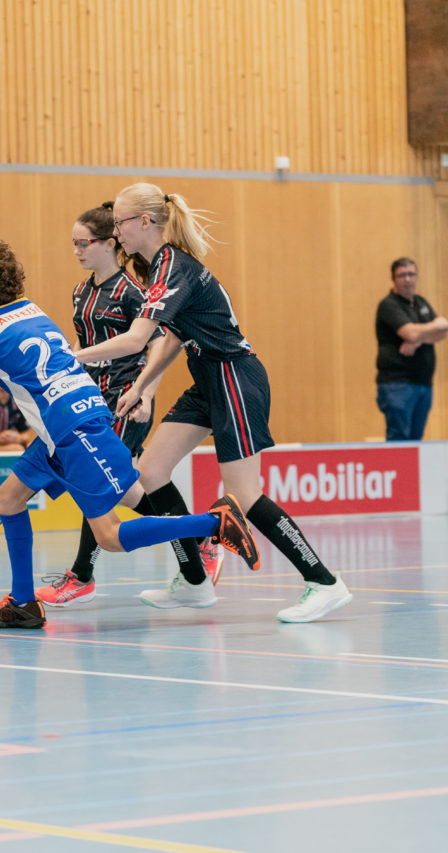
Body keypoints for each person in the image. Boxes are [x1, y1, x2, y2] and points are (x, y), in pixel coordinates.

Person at [0, 236, 259, 631]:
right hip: (66, 426)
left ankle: (213, 525)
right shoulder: (29, 311)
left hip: (76, 430)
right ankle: (22, 602)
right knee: (10, 498)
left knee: (108, 536)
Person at [72, 183, 352, 623]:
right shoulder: (155, 267)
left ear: (145, 222)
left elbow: (136, 338)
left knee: (243, 494)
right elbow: (174, 338)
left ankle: (324, 582)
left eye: (121, 222)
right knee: (151, 472)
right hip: (207, 378)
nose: (116, 231)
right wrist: (144, 385)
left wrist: (68, 358)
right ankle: (196, 582)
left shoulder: (172, 267)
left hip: (235, 376)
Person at [40, 204, 222, 609]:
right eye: (72, 244)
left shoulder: (132, 291)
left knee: (95, 483)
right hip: (90, 401)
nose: (76, 251)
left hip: (125, 398)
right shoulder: (81, 291)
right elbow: (82, 348)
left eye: (83, 243)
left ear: (109, 245)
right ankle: (200, 538)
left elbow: (157, 342)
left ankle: (80, 577)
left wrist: (148, 391)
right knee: (124, 488)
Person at [375, 257, 447, 441]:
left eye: (411, 274)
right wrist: (431, 327)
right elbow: (409, 333)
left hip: (423, 383)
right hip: (398, 384)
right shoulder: (389, 305)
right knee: (400, 438)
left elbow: (443, 332)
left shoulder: (421, 303)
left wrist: (418, 339)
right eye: (402, 275)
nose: (408, 279)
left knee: (416, 440)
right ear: (393, 279)